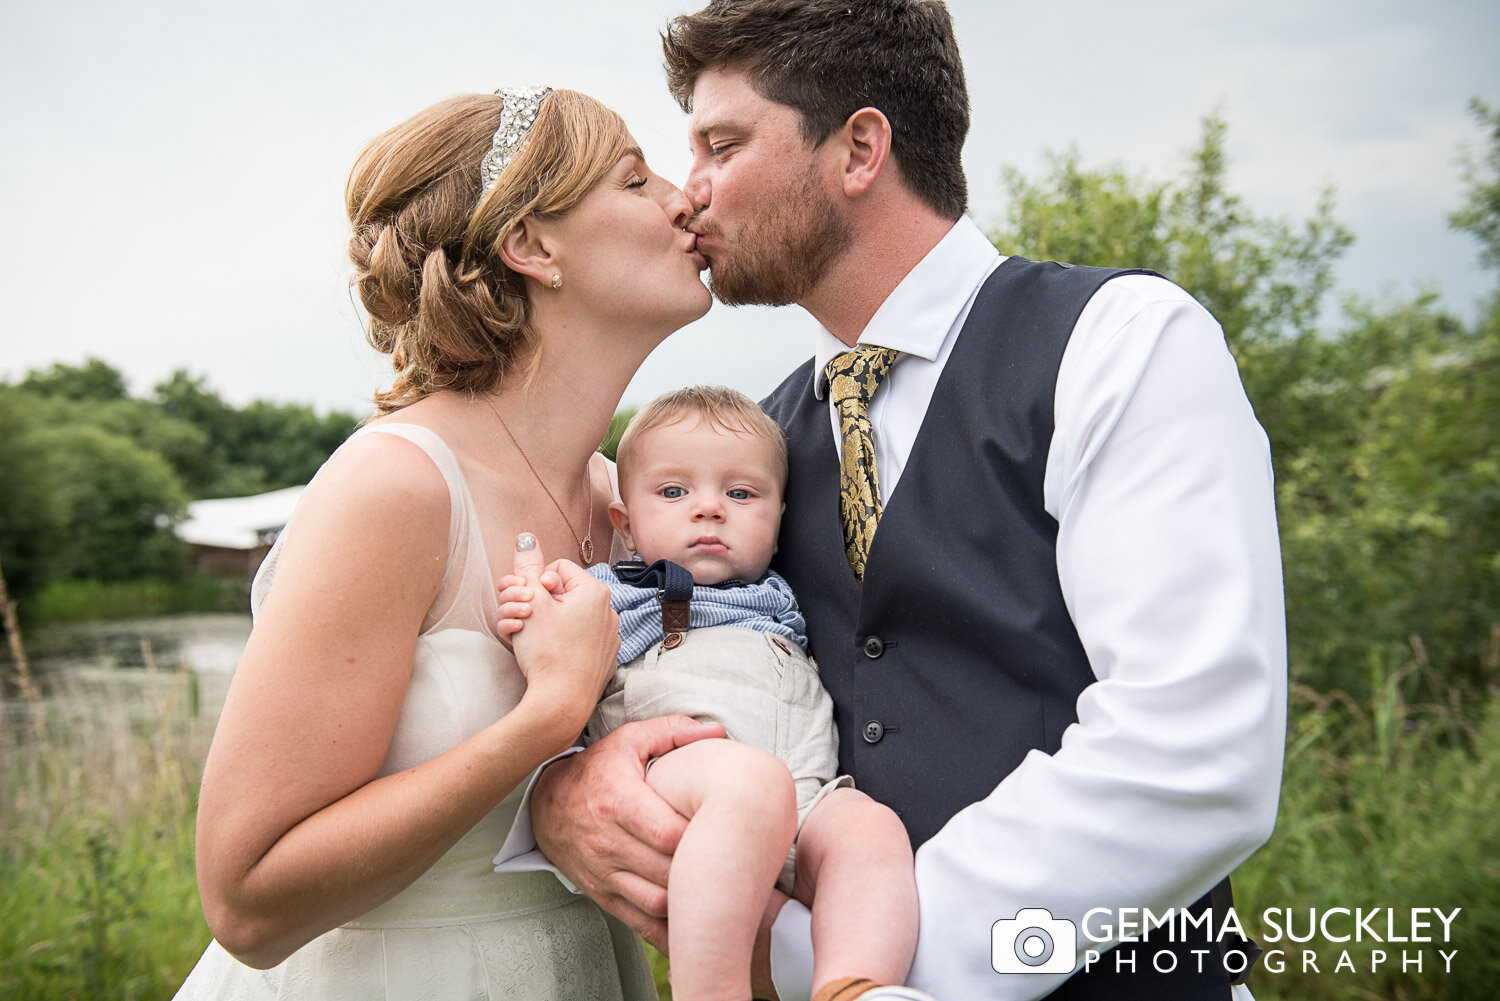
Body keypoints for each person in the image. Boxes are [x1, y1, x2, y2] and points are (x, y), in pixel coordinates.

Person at [526, 3, 1289, 1000]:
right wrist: (558, 791)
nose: (689, 192)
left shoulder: (1120, 342)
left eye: (721, 144)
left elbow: (1196, 748)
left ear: (859, 149)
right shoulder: (751, 452)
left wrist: (855, 970)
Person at [173, 85, 725, 999]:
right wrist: (547, 717)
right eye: (636, 179)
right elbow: (246, 903)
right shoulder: (396, 487)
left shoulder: (619, 496)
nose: (683, 198)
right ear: (532, 245)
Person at [498, 386, 926, 1001]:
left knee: (871, 831)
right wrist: (534, 604)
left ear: (780, 523)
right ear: (625, 524)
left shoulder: (779, 596)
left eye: (741, 493)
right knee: (751, 786)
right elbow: (557, 634)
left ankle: (855, 984)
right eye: (674, 492)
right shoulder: (619, 592)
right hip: (685, 777)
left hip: (804, 794)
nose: (709, 509)